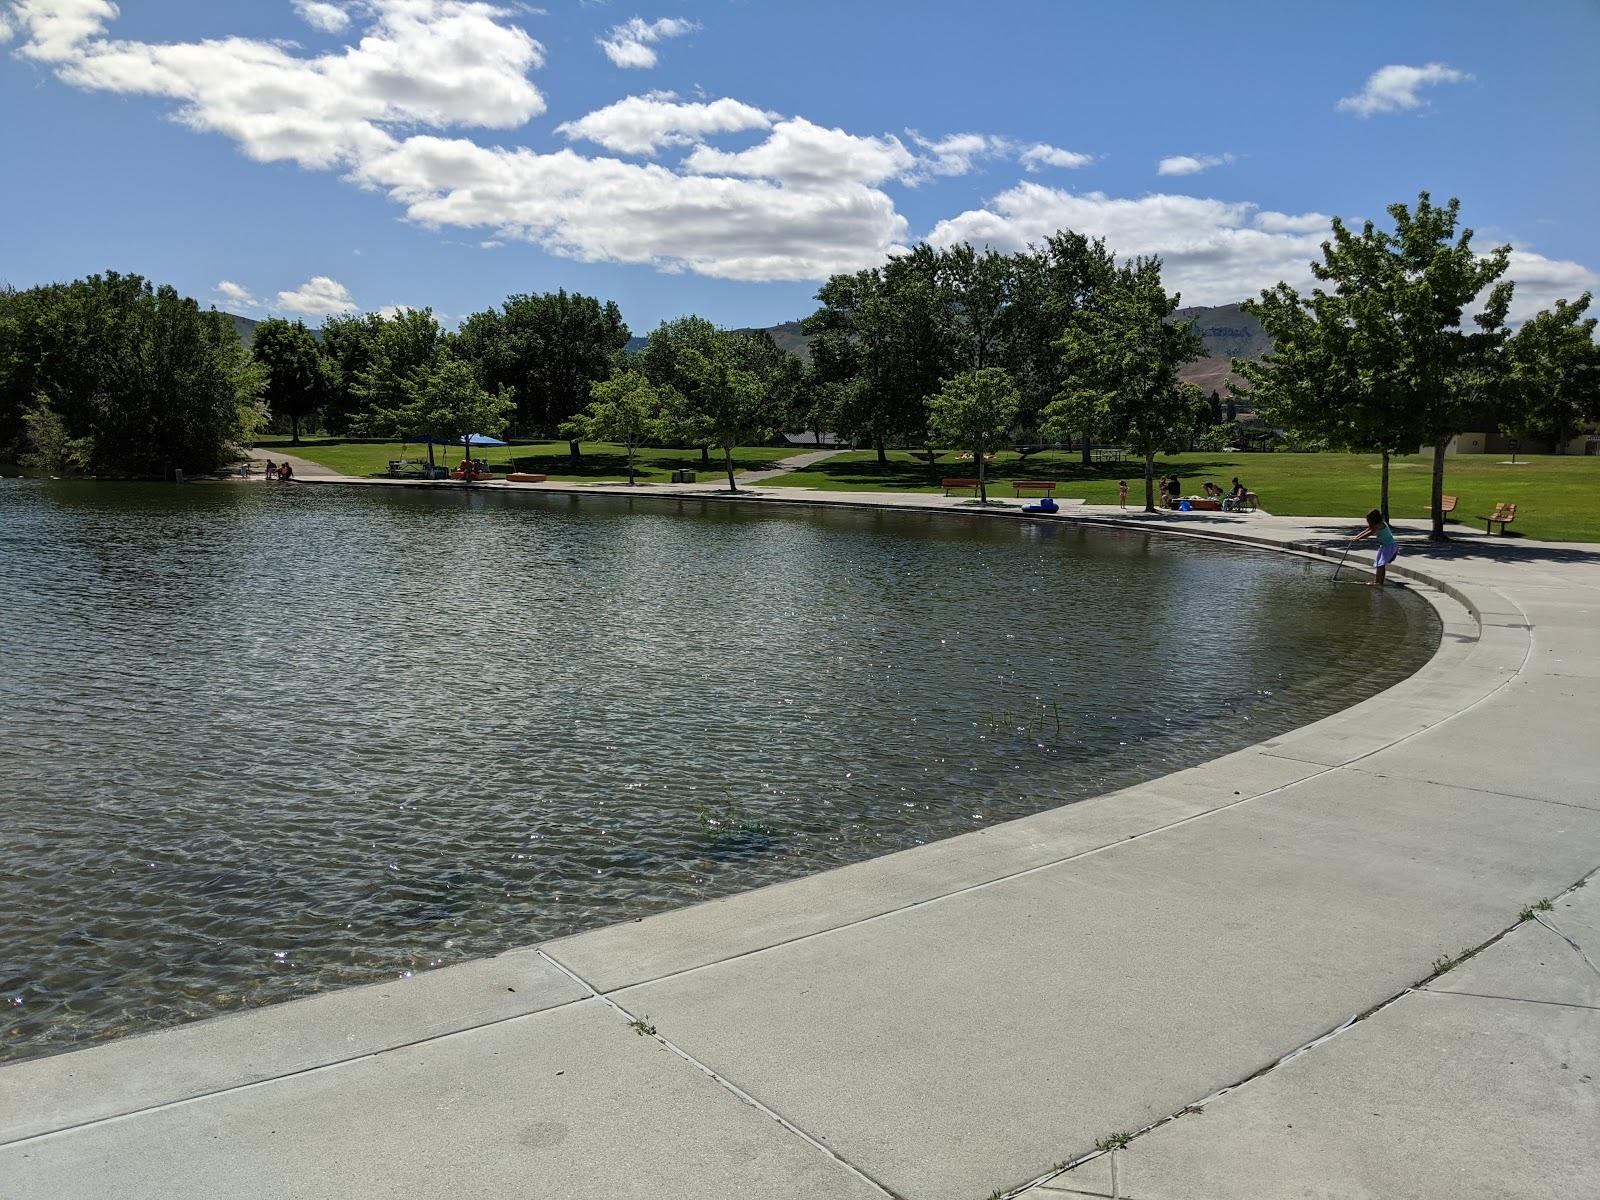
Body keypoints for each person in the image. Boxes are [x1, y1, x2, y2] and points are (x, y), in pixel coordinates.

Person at [1350, 508, 1398, 587]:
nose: (1368, 522)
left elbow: (1370, 533)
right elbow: (1367, 530)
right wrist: (1355, 537)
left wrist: (1358, 539)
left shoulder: (1380, 525)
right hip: (1384, 546)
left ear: (1373, 519)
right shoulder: (1375, 525)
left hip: (1389, 546)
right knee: (1378, 563)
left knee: (1381, 564)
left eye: (1368, 520)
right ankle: (1376, 581)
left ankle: (1379, 582)